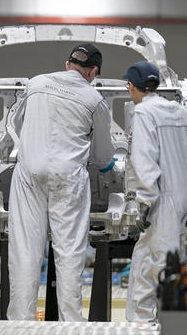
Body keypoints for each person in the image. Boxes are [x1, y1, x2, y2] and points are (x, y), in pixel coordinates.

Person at [7, 43, 116, 321]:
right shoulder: (94, 100)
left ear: (68, 64)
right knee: (69, 252)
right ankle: (71, 325)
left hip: (29, 172)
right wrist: (107, 166)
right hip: (68, 177)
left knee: (25, 249)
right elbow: (103, 154)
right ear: (93, 72)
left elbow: (17, 125)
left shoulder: (36, 84)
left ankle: (20, 323)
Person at [125, 61, 187, 322]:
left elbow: (145, 159)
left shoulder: (144, 113)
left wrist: (144, 201)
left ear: (132, 86)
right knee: (148, 260)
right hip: (183, 199)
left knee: (161, 268)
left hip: (161, 201)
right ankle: (143, 328)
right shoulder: (179, 112)